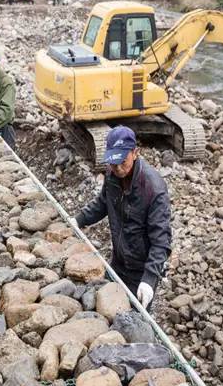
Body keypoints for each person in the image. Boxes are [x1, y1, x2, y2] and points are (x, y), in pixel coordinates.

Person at [72, 126, 171, 310]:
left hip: (141, 270)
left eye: (122, 162)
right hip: (118, 262)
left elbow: (161, 242)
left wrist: (149, 280)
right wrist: (78, 220)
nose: (117, 168)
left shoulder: (153, 188)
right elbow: (103, 203)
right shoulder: (112, 175)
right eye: (113, 163)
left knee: (137, 318)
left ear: (135, 153)